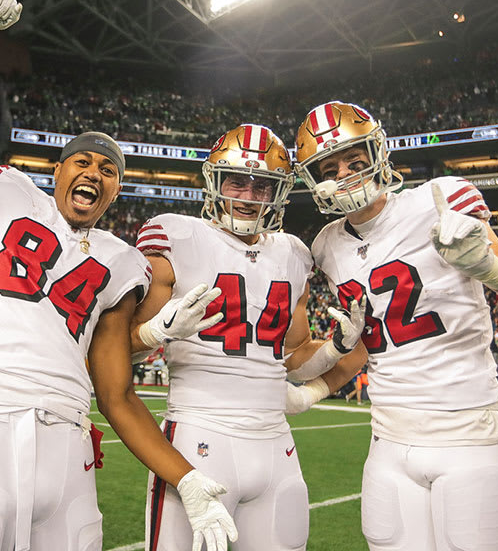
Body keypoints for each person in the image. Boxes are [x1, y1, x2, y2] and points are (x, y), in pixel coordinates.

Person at [0, 0, 236, 551]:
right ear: (57, 171)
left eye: (109, 169)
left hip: (70, 436)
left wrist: (153, 336)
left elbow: (116, 388)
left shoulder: (121, 261)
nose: (95, 173)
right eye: (83, 161)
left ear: (116, 190)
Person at [290, 101, 498, 550]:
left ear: (377, 155)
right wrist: (316, 389)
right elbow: (374, 341)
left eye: (355, 160)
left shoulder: (438, 201)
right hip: (387, 440)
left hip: (467, 433)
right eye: (331, 166)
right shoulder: (327, 247)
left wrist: (487, 266)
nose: (345, 173)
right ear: (314, 178)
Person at [130, 123, 349, 550]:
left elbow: (295, 355)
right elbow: (120, 351)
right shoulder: (177, 235)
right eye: (237, 182)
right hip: (199, 437)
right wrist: (155, 331)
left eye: (262, 186)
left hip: (276, 444)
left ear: (277, 193)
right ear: (215, 181)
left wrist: (336, 346)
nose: (249, 196)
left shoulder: (293, 254)